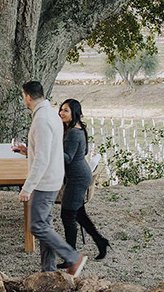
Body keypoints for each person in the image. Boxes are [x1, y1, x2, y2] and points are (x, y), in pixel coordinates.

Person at [14, 81, 87, 277]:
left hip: (45, 182)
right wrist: (27, 150)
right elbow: (47, 150)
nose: (24, 99)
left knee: (37, 226)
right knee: (45, 225)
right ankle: (48, 270)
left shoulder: (43, 119)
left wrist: (27, 187)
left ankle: (73, 257)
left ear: (28, 96)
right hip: (51, 178)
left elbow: (43, 158)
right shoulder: (49, 115)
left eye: (23, 96)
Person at [57, 99, 109, 263]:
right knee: (79, 214)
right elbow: (84, 150)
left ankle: (71, 257)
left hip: (77, 178)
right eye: (61, 109)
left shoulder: (73, 132)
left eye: (66, 110)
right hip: (80, 174)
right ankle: (101, 242)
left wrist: (52, 149)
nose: (61, 113)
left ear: (74, 113)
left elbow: (67, 158)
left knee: (67, 215)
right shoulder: (78, 128)